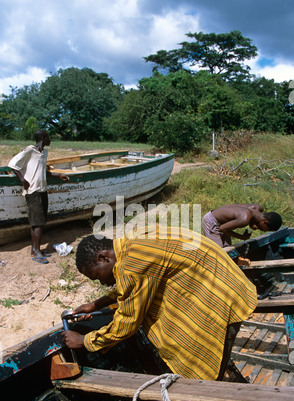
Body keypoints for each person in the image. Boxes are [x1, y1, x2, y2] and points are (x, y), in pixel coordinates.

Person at [62, 227, 258, 382]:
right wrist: (96, 304)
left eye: (97, 276)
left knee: (196, 368)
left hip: (220, 296)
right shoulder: (134, 240)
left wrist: (84, 341)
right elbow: (132, 285)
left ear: (103, 257)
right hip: (228, 282)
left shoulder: (130, 265)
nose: (102, 282)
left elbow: (127, 323)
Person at [8, 130, 69, 264]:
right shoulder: (30, 150)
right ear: (42, 138)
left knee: (40, 222)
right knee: (37, 223)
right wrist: (23, 180)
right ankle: (35, 251)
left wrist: (58, 175)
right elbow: (13, 164)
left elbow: (42, 171)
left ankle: (36, 250)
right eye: (47, 137)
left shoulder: (44, 153)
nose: (49, 139)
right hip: (33, 191)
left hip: (42, 190)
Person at [202, 203, 282, 248]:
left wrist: (253, 224)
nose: (264, 231)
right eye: (266, 229)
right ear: (265, 223)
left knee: (227, 248)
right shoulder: (244, 219)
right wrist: (242, 237)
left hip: (222, 221)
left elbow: (247, 211)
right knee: (218, 251)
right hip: (212, 221)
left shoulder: (258, 208)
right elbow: (222, 229)